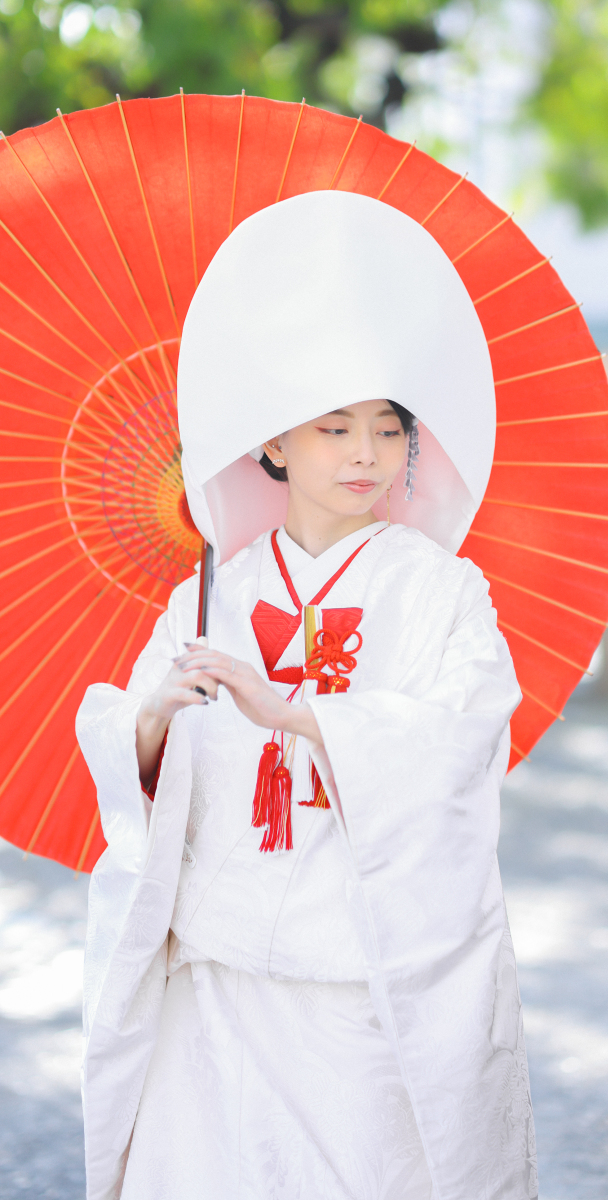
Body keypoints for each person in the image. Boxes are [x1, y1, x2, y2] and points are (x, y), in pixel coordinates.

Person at [77, 190, 536, 1200]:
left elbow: (463, 740)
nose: (364, 455)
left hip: (361, 985)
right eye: (332, 428)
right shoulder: (215, 592)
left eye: (385, 428)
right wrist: (152, 719)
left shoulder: (437, 589)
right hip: (220, 978)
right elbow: (137, 766)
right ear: (273, 445)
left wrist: (297, 713)